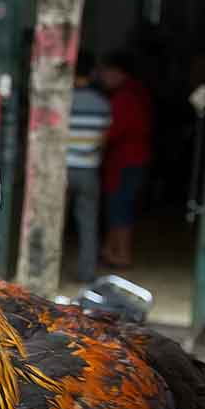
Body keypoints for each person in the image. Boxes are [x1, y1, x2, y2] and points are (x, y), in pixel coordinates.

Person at [97, 50, 153, 270]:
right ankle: (112, 251)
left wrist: (99, 142)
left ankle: (121, 254)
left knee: (120, 207)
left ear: (116, 72)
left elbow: (115, 130)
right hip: (134, 158)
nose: (102, 78)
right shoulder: (137, 92)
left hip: (125, 160)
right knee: (121, 206)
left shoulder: (125, 97)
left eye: (105, 73)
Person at [66, 52, 111, 284]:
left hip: (62, 170)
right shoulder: (102, 104)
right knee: (88, 223)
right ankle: (86, 273)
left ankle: (53, 271)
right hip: (88, 170)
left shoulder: (63, 101)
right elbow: (104, 138)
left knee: (55, 223)